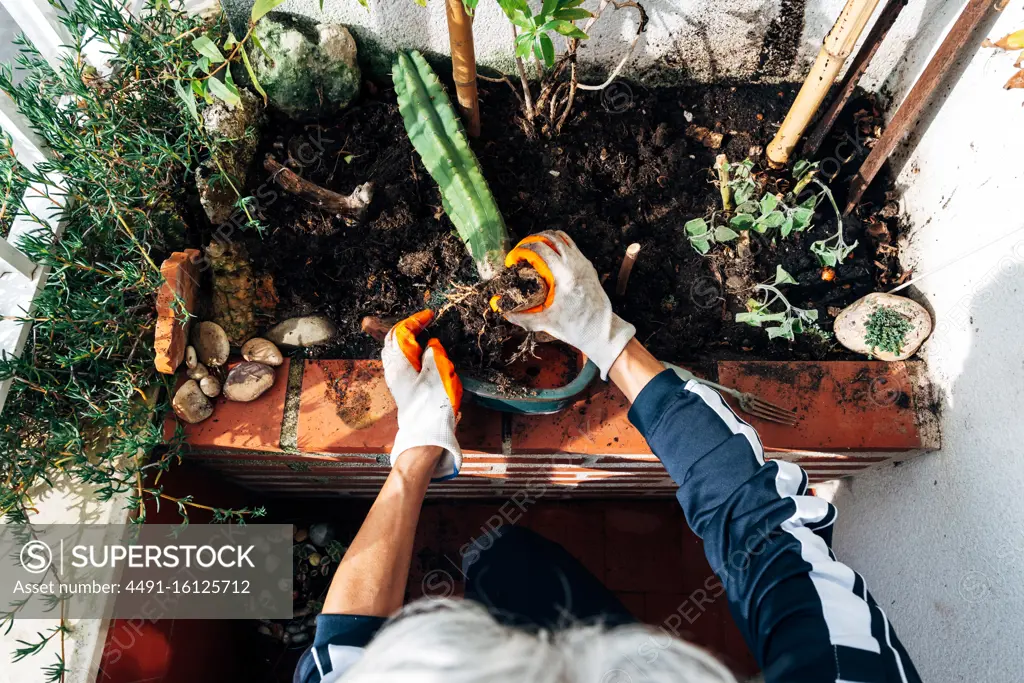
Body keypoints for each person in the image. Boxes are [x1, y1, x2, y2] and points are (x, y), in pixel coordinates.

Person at [294, 231, 921, 683]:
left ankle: (499, 570)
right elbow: (756, 521)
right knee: (514, 567)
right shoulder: (842, 670)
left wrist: (415, 451)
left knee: (498, 558)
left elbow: (340, 650)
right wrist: (607, 338)